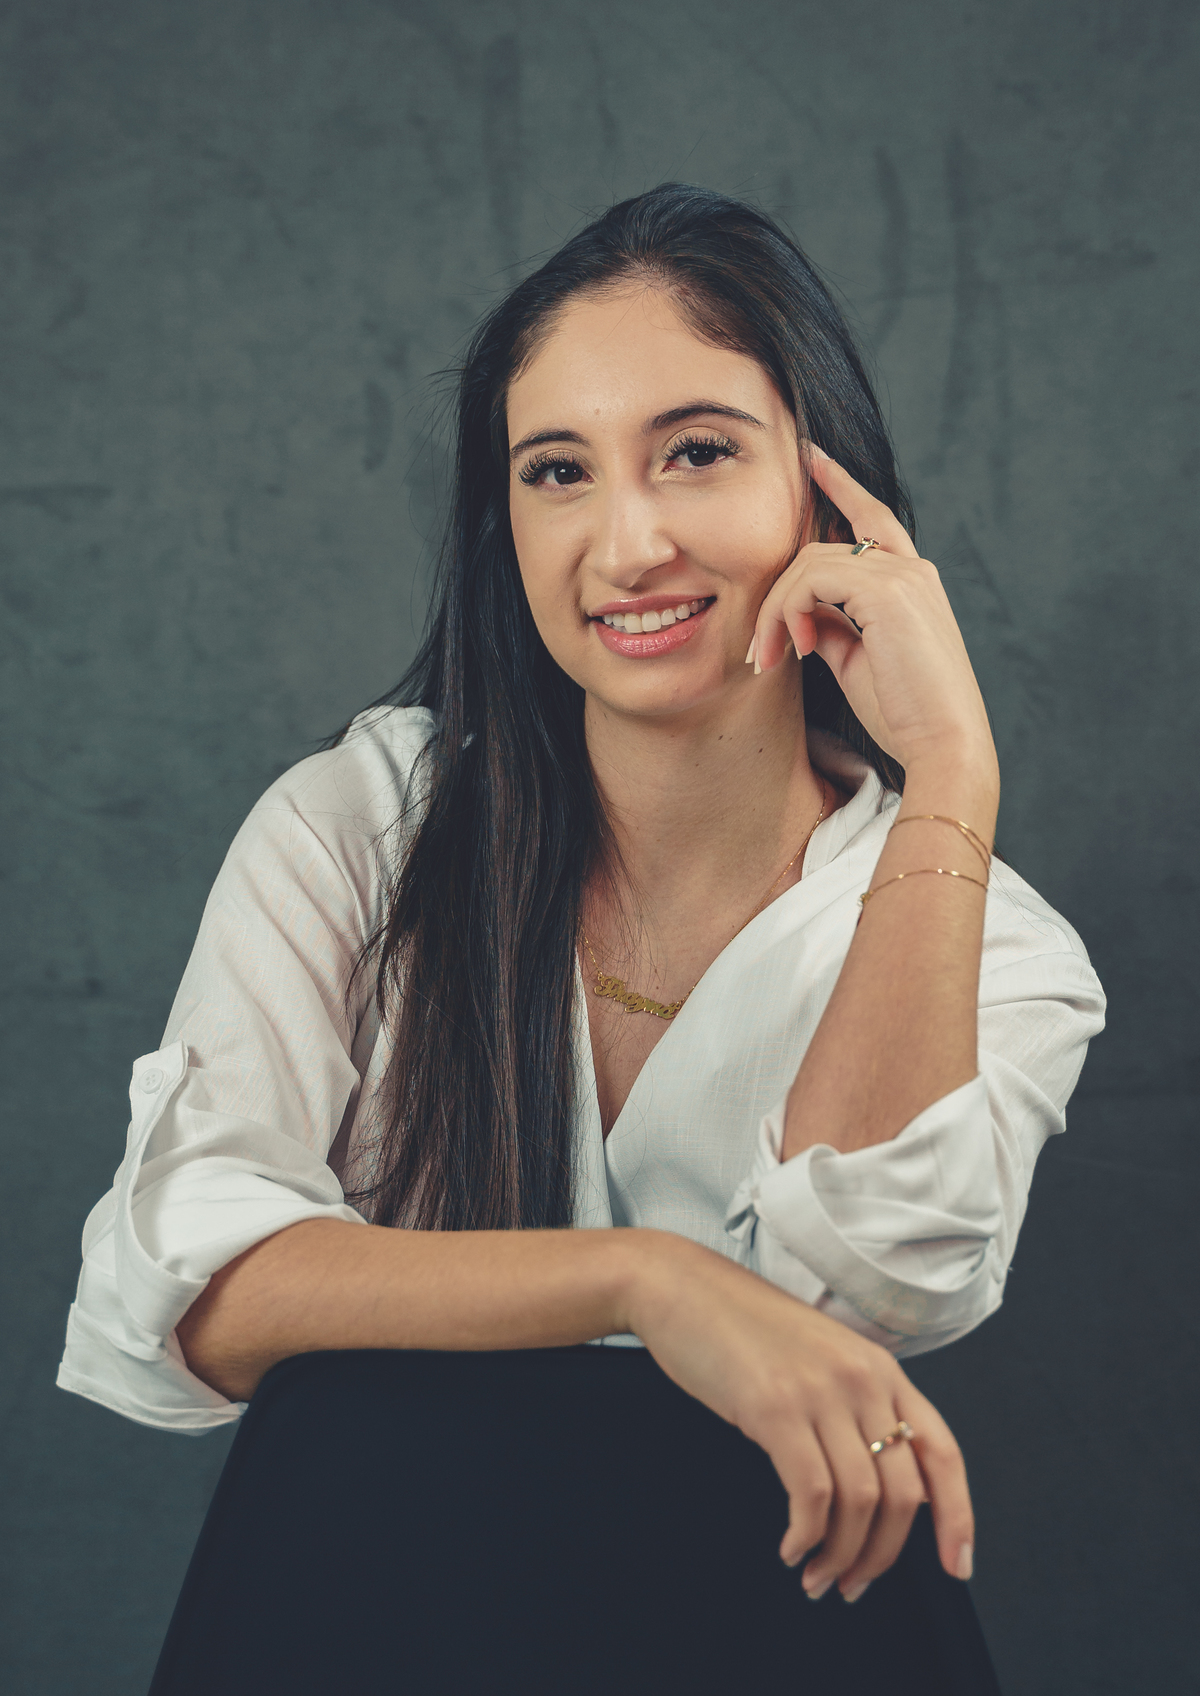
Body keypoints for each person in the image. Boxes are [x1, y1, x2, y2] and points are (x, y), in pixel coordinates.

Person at [58, 185, 1104, 1695]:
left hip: (776, 1624)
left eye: (698, 451)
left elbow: (875, 1280)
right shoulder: (360, 824)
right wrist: (645, 1284)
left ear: (829, 494)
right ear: (509, 522)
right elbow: (201, 1292)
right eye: (559, 471)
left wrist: (953, 774)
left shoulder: (997, 940)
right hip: (366, 1605)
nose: (627, 542)